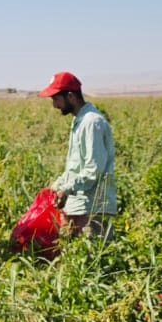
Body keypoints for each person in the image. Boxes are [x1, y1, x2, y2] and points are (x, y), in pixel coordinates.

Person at [38, 71, 117, 239]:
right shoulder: (79, 121)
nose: (54, 105)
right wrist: (56, 186)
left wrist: (65, 189)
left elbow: (92, 171)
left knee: (91, 257)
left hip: (91, 207)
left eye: (56, 99)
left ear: (70, 96)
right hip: (77, 204)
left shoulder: (92, 123)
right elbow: (76, 166)